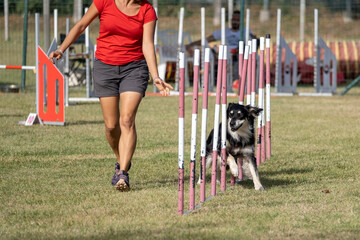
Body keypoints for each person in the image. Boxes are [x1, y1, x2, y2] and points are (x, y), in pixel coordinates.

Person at [49, 0, 173, 192]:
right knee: (111, 126)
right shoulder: (104, 1)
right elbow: (81, 25)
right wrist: (61, 48)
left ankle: (123, 173)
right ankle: (121, 158)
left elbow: (147, 44)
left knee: (127, 120)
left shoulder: (147, 10)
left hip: (134, 68)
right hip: (104, 67)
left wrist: (155, 75)